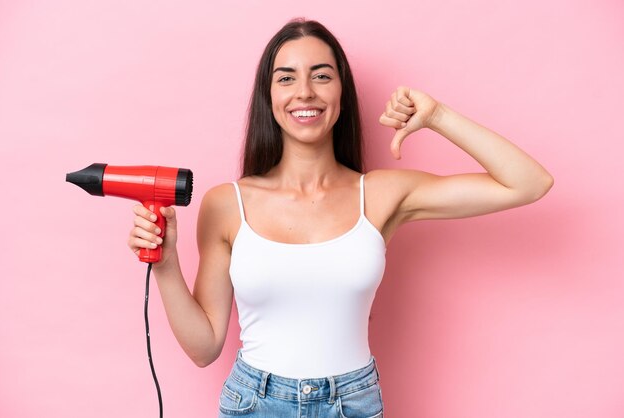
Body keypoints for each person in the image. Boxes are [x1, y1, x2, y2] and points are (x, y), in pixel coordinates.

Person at [128, 18, 553, 418]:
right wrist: (165, 266)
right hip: (254, 404)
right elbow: (204, 348)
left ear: (342, 93)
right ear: (269, 96)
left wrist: (438, 116)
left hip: (352, 404)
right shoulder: (227, 203)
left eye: (322, 75)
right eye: (286, 77)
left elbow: (528, 183)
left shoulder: (383, 195)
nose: (305, 92)